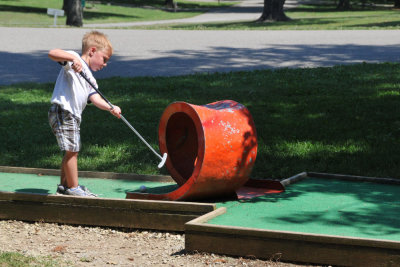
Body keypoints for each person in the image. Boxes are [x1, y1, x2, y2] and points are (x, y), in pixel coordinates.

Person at [48, 31, 121, 197]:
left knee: (71, 150)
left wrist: (111, 107)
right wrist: (73, 59)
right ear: (92, 51)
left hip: (72, 115)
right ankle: (74, 188)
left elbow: (95, 98)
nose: (105, 64)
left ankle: (65, 186)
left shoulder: (91, 79)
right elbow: (53, 53)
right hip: (63, 111)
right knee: (72, 150)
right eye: (104, 59)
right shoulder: (74, 59)